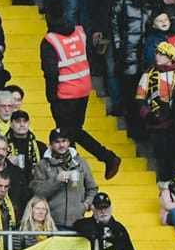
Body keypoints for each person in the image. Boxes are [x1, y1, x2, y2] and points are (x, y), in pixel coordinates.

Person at [40, 16, 121, 179]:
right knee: (73, 132)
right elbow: (89, 55)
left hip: (65, 93)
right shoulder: (80, 32)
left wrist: (51, 97)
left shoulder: (50, 40)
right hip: (83, 89)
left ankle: (104, 158)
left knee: (67, 134)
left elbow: (50, 71)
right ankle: (96, 161)